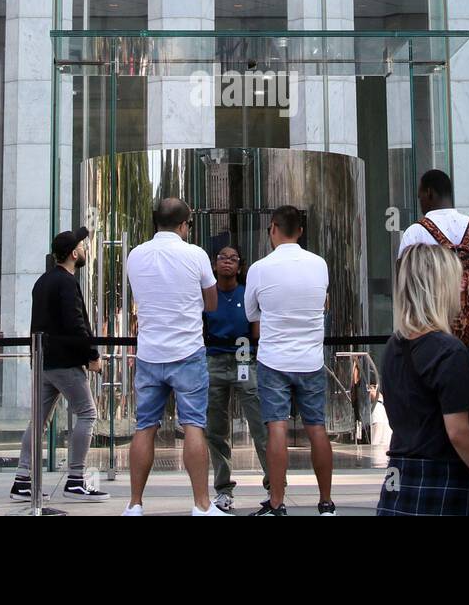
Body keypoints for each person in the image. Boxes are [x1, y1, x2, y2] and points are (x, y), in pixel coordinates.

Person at [377, 244, 469, 516]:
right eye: (456, 281)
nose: (462, 289)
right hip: (442, 476)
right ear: (438, 287)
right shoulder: (447, 350)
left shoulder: (393, 347)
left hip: (399, 475)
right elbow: (458, 432)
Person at [397, 170, 469, 481]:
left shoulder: (415, 232)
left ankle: (443, 478)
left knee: (433, 408)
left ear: (429, 193)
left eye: (420, 194)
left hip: (432, 336)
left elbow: (404, 286)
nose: (419, 200)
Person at [122, 198, 226, 516]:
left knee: (145, 427)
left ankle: (135, 504)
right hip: (187, 352)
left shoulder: (135, 255)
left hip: (150, 352)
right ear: (184, 225)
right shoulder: (195, 255)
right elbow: (211, 304)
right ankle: (202, 505)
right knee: (194, 426)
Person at [247, 205, 335, 516]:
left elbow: (251, 313)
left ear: (272, 229)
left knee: (277, 429)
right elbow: (322, 305)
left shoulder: (259, 268)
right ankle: (325, 503)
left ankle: (277, 503)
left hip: (274, 359)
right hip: (310, 359)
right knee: (317, 429)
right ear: (300, 231)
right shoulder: (319, 264)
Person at [11, 227, 109, 503]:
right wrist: (92, 355)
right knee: (87, 414)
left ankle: (22, 480)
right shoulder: (66, 282)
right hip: (65, 363)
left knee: (38, 421)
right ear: (74, 253)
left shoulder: (43, 281)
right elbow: (75, 323)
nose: (86, 250)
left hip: (44, 361)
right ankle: (76, 480)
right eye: (82, 246)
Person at [202, 245, 270, 512]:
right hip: (214, 361)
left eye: (233, 258)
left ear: (240, 266)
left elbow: (257, 331)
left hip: (245, 360)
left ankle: (273, 487)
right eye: (222, 258)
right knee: (216, 431)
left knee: (260, 427)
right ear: (215, 265)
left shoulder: (247, 294)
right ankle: (223, 490)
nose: (227, 262)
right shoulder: (208, 295)